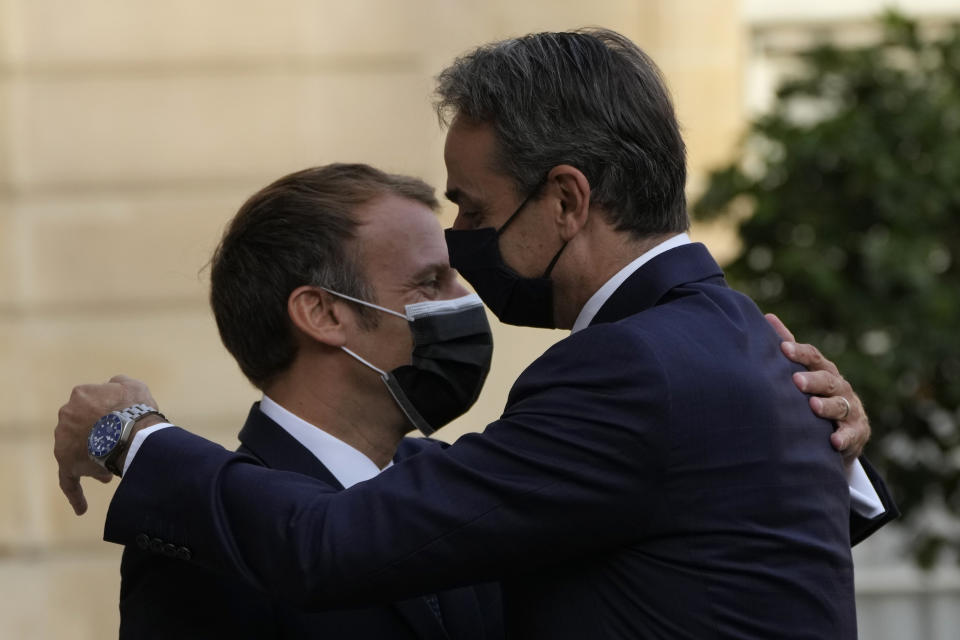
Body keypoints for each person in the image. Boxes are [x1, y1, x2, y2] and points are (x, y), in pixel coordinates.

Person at [54, 28, 897, 639]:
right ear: (322, 312)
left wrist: (136, 436)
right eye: (429, 279)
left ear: (567, 200)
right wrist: (824, 457)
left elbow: (329, 543)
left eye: (475, 213)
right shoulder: (738, 344)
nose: (465, 270)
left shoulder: (632, 370)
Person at [114, 164, 503, 639]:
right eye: (430, 282)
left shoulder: (454, 480)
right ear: (321, 313)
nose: (462, 300)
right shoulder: (201, 545)